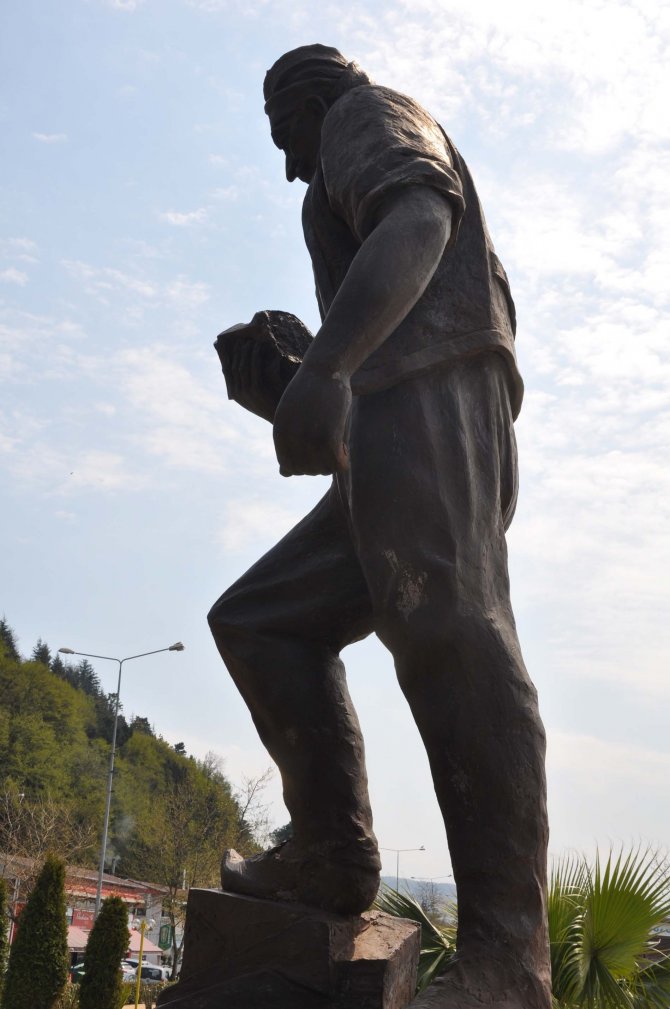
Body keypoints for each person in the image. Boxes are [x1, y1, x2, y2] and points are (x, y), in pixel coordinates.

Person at [208, 44, 551, 1009]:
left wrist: (323, 374)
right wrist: (292, 376)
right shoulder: (331, 173)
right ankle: (329, 854)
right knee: (263, 618)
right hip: (388, 422)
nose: (287, 163)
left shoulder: (368, 116)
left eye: (288, 135)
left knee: (455, 636)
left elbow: (419, 214)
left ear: (316, 102)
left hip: (436, 394)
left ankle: (506, 959)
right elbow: (370, 327)